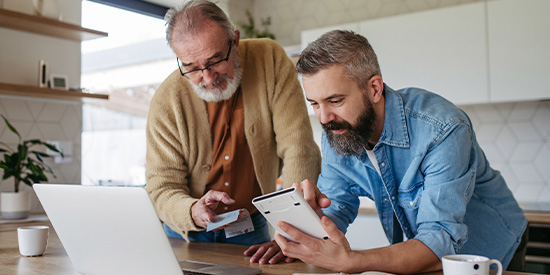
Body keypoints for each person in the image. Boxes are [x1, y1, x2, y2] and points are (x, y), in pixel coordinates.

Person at [274, 30, 528, 274]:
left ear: (374, 88)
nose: (324, 118)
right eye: (315, 104)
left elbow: (440, 238)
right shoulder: (339, 135)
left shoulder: (442, 129)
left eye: (335, 101)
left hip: (491, 250)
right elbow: (336, 208)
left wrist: (352, 261)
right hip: (429, 255)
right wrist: (303, 229)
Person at [145, 0, 321, 265]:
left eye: (215, 60)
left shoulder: (270, 60)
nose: (207, 77)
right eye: (192, 67)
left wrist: (290, 229)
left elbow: (298, 146)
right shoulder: (166, 100)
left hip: (250, 227)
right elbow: (162, 187)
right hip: (187, 235)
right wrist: (192, 211)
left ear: (235, 40)